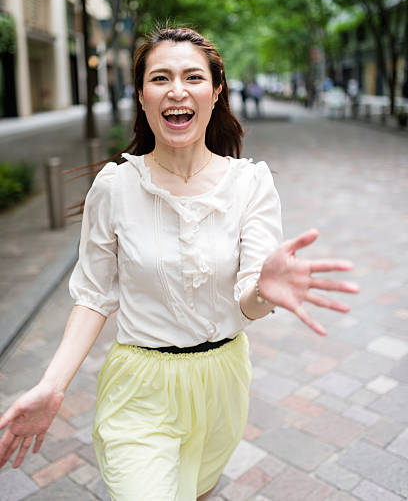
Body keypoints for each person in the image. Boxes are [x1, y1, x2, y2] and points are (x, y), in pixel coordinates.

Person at [0, 26, 359, 500]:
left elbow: (248, 302)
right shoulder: (114, 186)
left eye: (193, 77)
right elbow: (93, 297)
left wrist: (263, 292)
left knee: (197, 490)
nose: (176, 90)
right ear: (142, 97)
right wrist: (52, 385)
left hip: (222, 380)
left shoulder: (250, 184)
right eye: (160, 78)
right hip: (140, 385)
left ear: (215, 92)